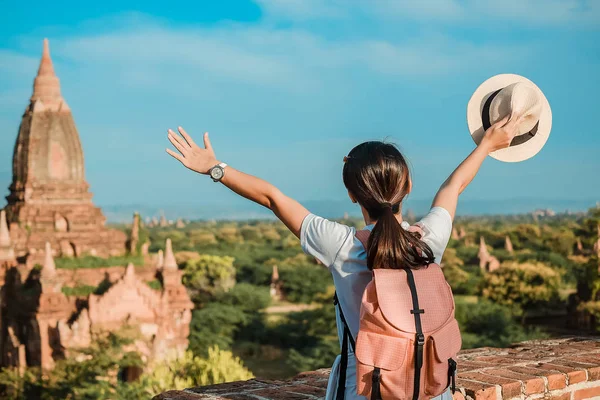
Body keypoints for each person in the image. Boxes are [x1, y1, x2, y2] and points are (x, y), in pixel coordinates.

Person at [165, 114, 522, 399]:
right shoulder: (429, 242)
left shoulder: (342, 245)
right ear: (409, 186)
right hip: (433, 390)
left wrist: (215, 168)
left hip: (366, 391)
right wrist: (488, 145)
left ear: (352, 195)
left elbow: (272, 197)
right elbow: (453, 186)